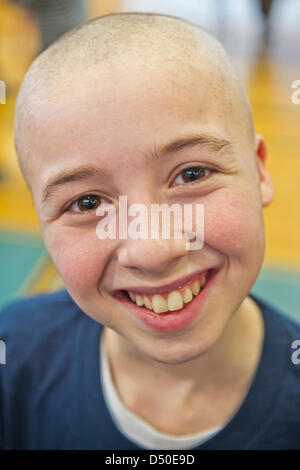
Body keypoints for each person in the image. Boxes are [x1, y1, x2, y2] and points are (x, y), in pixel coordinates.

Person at [1, 12, 300, 450]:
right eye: (88, 203)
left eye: (192, 174)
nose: (153, 250)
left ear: (258, 171)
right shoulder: (13, 361)